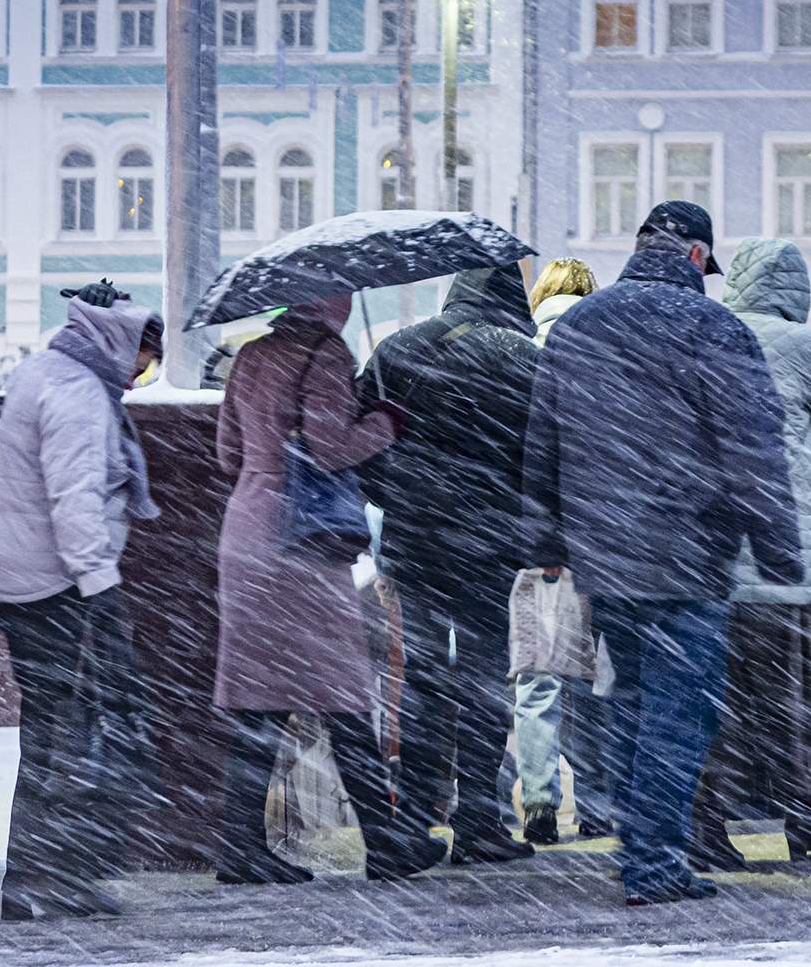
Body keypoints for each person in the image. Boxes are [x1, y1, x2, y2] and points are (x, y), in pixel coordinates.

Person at [523, 201, 803, 906]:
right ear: (699, 257)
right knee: (682, 710)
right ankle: (653, 861)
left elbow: (543, 440)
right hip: (687, 550)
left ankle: (641, 850)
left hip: (607, 553)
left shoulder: (581, 322)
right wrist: (777, 548)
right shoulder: (713, 325)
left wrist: (548, 540)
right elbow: (753, 444)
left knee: (634, 701)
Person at [212, 295, 443, 886]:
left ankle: (238, 844)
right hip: (303, 542)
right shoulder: (325, 351)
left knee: (257, 696)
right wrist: (384, 422)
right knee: (340, 692)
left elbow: (227, 453)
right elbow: (331, 447)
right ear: (335, 304)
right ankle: (387, 844)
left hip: (248, 528)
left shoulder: (253, 352)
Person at [0, 281, 161, 920]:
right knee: (66, 737)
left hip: (19, 574)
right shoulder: (80, 394)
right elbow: (74, 500)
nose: (141, 378)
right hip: (51, 585)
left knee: (59, 733)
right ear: (121, 345)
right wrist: (100, 588)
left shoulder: (48, 368)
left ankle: (44, 878)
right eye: (145, 361)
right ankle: (43, 881)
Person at [689, 238, 811, 869]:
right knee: (791, 701)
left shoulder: (707, 334)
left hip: (714, 559)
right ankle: (801, 824)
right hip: (784, 558)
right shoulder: (801, 346)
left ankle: (707, 827)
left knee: (713, 701)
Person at [360, 266, 540, 864]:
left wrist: (395, 496)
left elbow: (362, 441)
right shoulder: (524, 357)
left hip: (417, 541)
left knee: (421, 676)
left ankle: (412, 818)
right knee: (487, 681)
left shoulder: (397, 350)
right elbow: (546, 454)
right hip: (493, 543)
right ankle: (480, 822)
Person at [514, 258, 604, 846]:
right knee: (596, 682)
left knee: (538, 682)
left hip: (539, 543)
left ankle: (540, 804)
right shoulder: (606, 354)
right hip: (603, 539)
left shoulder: (521, 353)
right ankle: (598, 803)